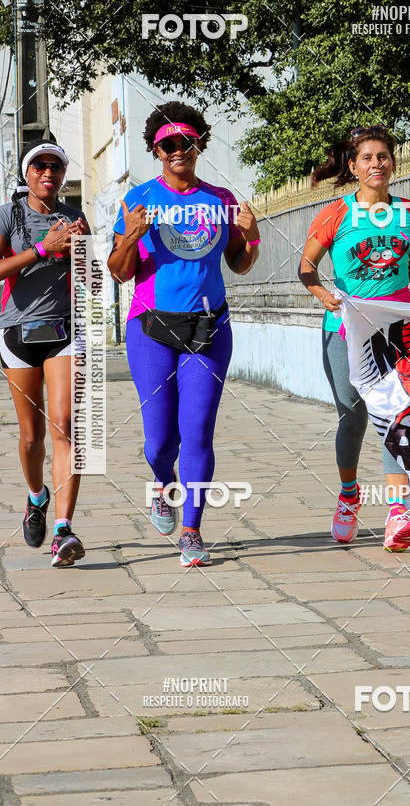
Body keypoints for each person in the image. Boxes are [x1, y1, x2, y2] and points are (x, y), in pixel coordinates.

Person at [108, 101, 259, 567]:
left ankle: (191, 531)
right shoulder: (137, 200)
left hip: (209, 328)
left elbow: (239, 263)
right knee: (159, 442)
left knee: (197, 432)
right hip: (150, 328)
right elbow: (119, 272)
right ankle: (162, 483)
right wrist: (131, 236)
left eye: (187, 142)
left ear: (199, 146)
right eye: (168, 144)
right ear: (156, 150)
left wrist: (251, 237)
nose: (178, 150)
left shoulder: (221, 199)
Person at [298, 125, 410, 551]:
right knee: (352, 417)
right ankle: (349, 495)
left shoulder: (409, 213)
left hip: (399, 327)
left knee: (398, 410)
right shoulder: (335, 214)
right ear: (353, 167)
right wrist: (323, 295)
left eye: (383, 156)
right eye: (367, 158)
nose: (377, 164)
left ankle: (398, 513)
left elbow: (409, 264)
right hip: (346, 328)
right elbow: (306, 268)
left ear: (393, 162)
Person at [0, 139, 88, 566]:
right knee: (32, 437)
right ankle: (37, 497)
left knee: (65, 426)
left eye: (55, 166)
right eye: (40, 166)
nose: (48, 173)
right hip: (16, 332)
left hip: (63, 332)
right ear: (27, 173)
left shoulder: (75, 217)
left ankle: (63, 530)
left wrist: (83, 250)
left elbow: (90, 278)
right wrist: (41, 249)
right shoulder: (8, 215)